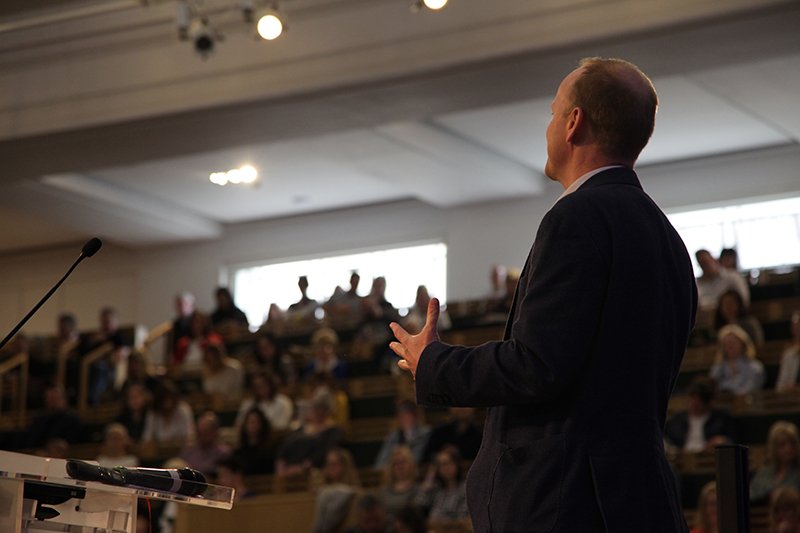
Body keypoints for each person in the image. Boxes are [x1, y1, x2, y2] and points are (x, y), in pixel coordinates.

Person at [388, 57, 698, 532]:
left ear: (574, 123)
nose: (549, 127)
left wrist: (433, 362)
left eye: (554, 114)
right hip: (636, 497)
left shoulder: (576, 218)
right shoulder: (667, 237)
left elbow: (537, 364)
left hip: (567, 502)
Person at [664, 376, 735, 453]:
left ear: (709, 402)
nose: (694, 403)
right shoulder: (677, 420)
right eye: (693, 398)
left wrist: (722, 441)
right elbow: (667, 439)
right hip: (682, 459)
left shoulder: (722, 419)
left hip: (708, 458)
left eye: (699, 402)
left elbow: (732, 440)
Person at [751, 421, 800, 503]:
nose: (788, 449)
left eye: (792, 443)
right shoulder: (764, 473)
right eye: (782, 444)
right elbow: (750, 495)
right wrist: (768, 494)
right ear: (774, 448)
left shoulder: (798, 472)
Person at [373, 399, 431, 468]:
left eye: (408, 415)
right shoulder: (393, 437)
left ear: (415, 416)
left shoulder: (426, 434)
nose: (405, 419)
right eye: (402, 416)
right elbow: (380, 464)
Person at [709, 324, 764, 396]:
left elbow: (750, 389)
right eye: (726, 344)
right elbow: (712, 388)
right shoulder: (717, 368)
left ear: (743, 344)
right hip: (722, 403)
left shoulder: (755, 367)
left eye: (732, 343)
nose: (729, 347)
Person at [180, 411, 231, 476]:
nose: (202, 436)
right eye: (200, 432)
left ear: (215, 432)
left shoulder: (224, 453)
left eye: (206, 432)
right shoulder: (189, 452)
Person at [232, 406, 277, 475]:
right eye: (251, 422)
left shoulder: (270, 450)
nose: (253, 426)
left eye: (257, 422)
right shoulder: (239, 451)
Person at [776, 310, 800, 392]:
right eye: (796, 328)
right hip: (793, 401)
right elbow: (779, 387)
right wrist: (788, 389)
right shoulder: (789, 355)